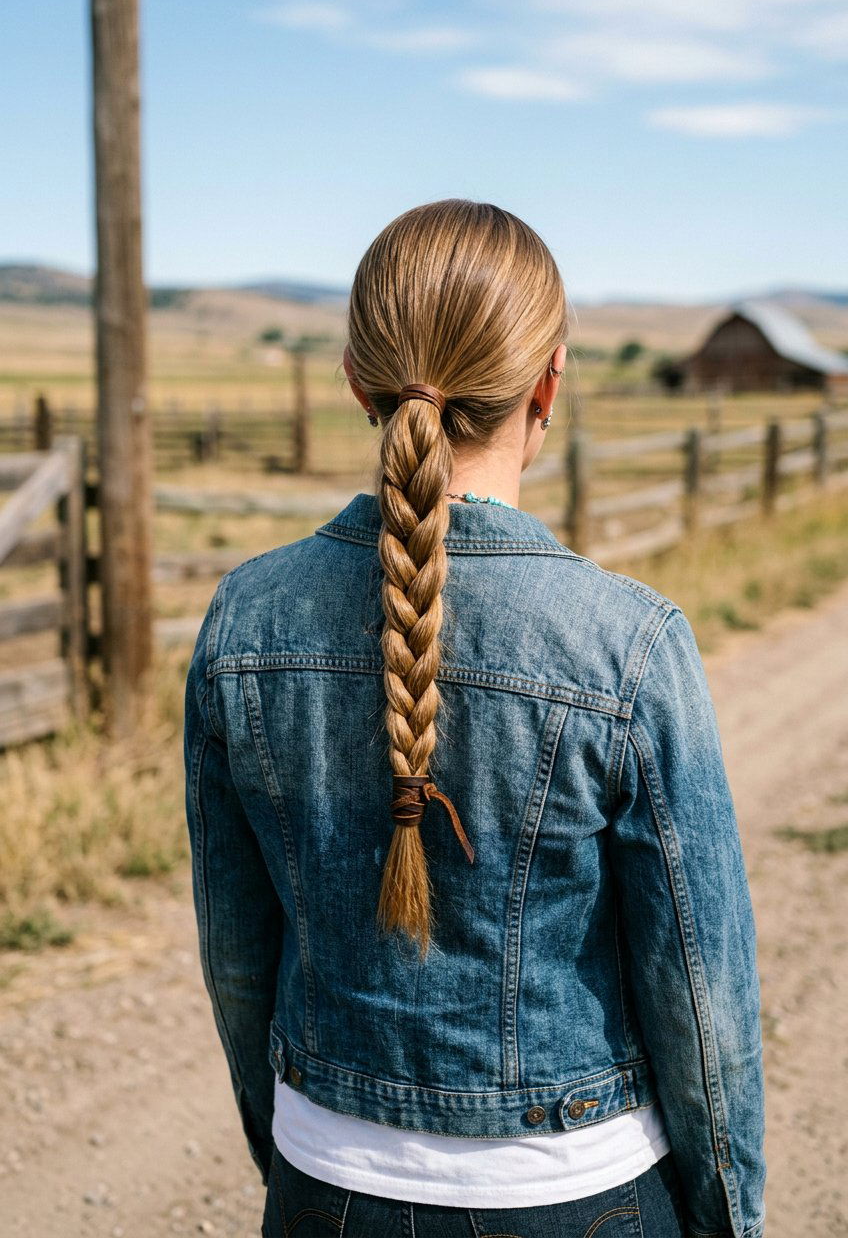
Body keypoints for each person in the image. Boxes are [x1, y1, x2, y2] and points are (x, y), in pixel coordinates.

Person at [184, 199, 766, 1238]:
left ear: (359, 384)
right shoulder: (626, 641)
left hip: (325, 1186)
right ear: (546, 381)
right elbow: (698, 991)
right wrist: (728, 1219)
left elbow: (236, 954)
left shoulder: (244, 617)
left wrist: (292, 1152)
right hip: (578, 1195)